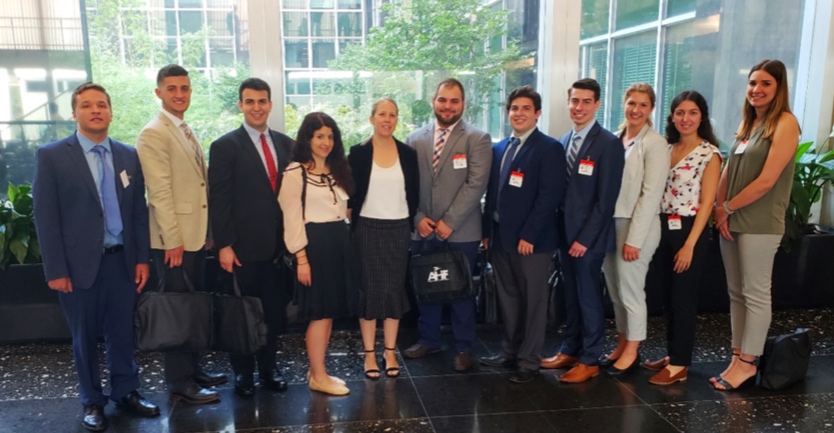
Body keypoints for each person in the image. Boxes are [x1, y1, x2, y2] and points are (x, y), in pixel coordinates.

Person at [33, 82, 159, 432]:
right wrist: (55, 269)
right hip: (76, 267)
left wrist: (141, 259)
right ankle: (92, 401)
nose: (95, 110)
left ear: (111, 112)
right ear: (74, 113)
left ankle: (126, 391)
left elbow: (137, 211)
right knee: (84, 337)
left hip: (121, 261)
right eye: (87, 105)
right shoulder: (53, 155)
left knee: (122, 332)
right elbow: (45, 217)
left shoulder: (127, 154)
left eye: (102, 104)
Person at [136, 64, 226, 404]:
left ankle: (194, 369)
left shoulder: (183, 128)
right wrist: (173, 239)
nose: (179, 94)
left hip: (193, 236)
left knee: (191, 307)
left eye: (184, 88)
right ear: (159, 92)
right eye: (172, 88)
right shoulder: (154, 132)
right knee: (177, 309)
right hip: (173, 242)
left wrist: (205, 232)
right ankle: (180, 380)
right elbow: (159, 193)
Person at [711, 59, 800, 391]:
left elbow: (767, 180)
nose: (756, 89)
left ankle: (749, 362)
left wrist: (729, 206)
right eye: (752, 83)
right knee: (736, 294)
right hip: (731, 219)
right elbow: (727, 172)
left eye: (765, 83)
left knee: (756, 294)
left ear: (779, 88)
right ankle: (737, 356)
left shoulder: (786, 123)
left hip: (760, 222)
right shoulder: (750, 124)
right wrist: (720, 209)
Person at [208, 78, 293, 396]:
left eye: (262, 101)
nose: (257, 107)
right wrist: (225, 244)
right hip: (241, 249)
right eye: (250, 101)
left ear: (270, 104)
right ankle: (243, 374)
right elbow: (220, 200)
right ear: (241, 105)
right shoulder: (225, 146)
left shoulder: (287, 145)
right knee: (240, 314)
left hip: (277, 250)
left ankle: (269, 369)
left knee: (273, 313)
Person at [402, 78, 492, 372]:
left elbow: (476, 184)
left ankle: (464, 347)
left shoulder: (477, 139)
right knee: (427, 287)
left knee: (461, 291)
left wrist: (449, 222)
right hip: (424, 228)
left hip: (461, 230)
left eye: (454, 101)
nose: (448, 106)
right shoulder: (415, 139)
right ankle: (428, 339)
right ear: (433, 101)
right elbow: (407, 185)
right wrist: (418, 218)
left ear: (463, 104)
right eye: (443, 100)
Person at [479, 85, 566, 383]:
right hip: (500, 238)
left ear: (537, 114)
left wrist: (530, 234)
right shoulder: (500, 147)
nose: (519, 113)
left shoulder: (549, 148)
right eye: (514, 108)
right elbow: (492, 194)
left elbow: (549, 196)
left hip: (532, 242)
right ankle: (510, 352)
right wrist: (487, 232)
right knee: (509, 298)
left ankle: (529, 361)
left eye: (526, 108)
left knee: (533, 301)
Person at [540, 78, 624, 383]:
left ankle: (590, 359)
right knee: (571, 296)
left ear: (597, 104)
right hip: (564, 233)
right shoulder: (564, 141)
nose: (579, 107)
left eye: (586, 101)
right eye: (575, 101)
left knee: (588, 298)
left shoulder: (609, 144)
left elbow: (606, 200)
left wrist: (584, 240)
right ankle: (571, 349)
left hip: (589, 239)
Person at [641, 90, 722, 385]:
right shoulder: (666, 147)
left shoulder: (709, 153)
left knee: (683, 298)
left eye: (692, 113)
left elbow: (707, 204)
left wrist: (689, 245)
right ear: (672, 116)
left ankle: (680, 365)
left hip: (690, 230)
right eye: (679, 113)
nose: (685, 119)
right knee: (666, 296)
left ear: (702, 116)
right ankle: (672, 354)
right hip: (661, 226)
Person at [278, 112, 357, 396]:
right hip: (314, 247)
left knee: (329, 313)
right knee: (319, 314)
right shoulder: (294, 173)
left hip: (338, 243)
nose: (326, 142)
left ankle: (318, 371)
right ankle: (319, 375)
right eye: (319, 136)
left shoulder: (337, 170)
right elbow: (292, 220)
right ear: (307, 138)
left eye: (330, 136)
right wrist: (302, 258)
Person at [599, 83, 669, 375]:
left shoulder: (655, 143)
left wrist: (634, 239)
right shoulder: (616, 138)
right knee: (615, 291)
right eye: (631, 103)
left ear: (651, 108)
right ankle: (622, 341)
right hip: (611, 223)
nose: (636, 110)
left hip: (636, 226)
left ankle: (633, 350)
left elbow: (651, 195)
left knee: (630, 290)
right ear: (623, 104)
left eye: (642, 105)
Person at [348, 98, 419, 380]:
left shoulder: (408, 154)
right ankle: (369, 354)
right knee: (369, 291)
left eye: (392, 114)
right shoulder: (358, 153)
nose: (387, 119)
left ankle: (390, 351)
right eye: (381, 114)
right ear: (371, 118)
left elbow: (414, 193)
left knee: (392, 291)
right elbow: (349, 191)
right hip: (366, 228)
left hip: (399, 228)